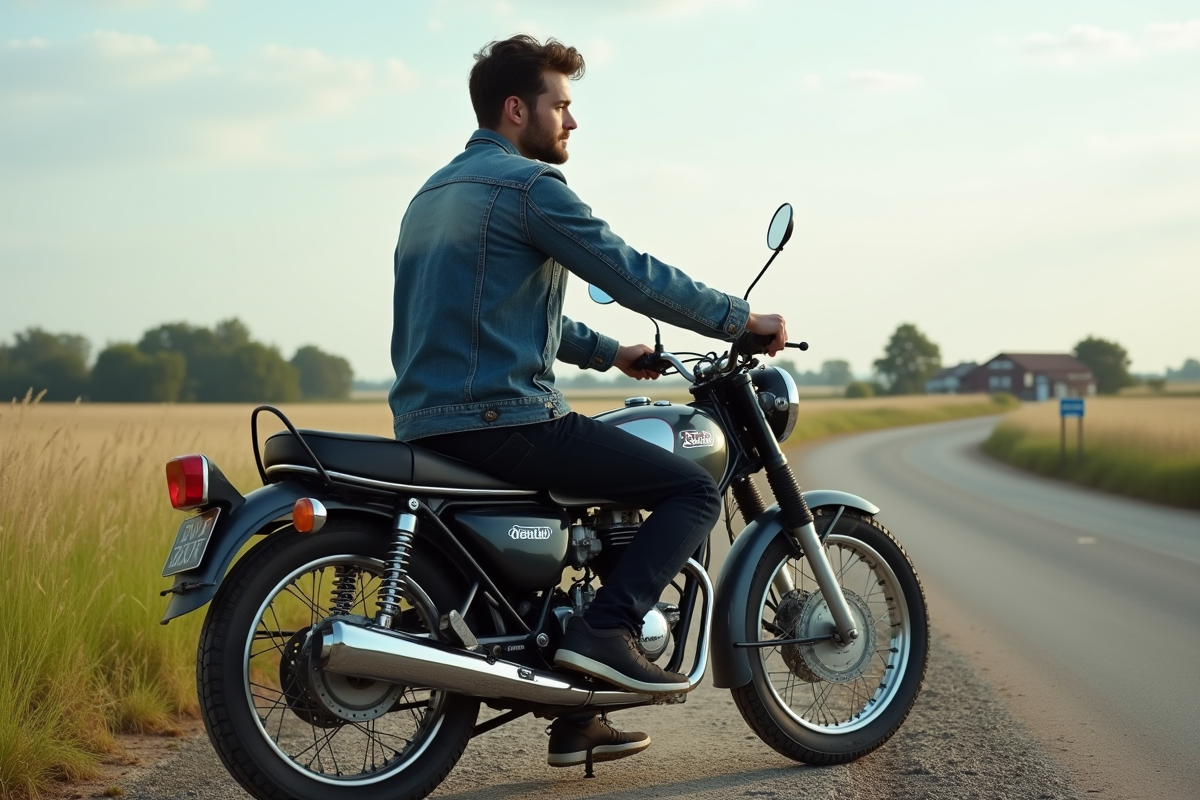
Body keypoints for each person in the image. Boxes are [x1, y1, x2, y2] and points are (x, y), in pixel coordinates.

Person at [388, 34, 787, 769]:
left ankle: (577, 716)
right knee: (689, 490)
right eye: (561, 106)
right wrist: (741, 320)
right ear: (517, 110)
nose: (572, 123)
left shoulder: (432, 196)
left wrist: (612, 352)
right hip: (505, 416)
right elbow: (632, 274)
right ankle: (604, 634)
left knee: (603, 524)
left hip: (429, 424)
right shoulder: (531, 188)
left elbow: (491, 312)